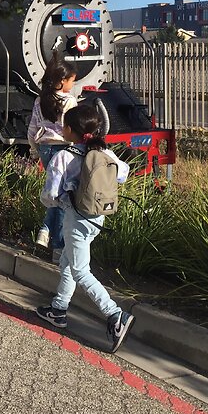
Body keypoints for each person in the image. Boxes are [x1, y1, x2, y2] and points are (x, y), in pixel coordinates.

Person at [33, 103, 136, 353]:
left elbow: (49, 195)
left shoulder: (64, 157)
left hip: (75, 219)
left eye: (64, 126)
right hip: (97, 218)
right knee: (68, 263)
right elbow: (124, 172)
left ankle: (115, 315)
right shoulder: (105, 154)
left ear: (69, 130)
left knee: (80, 270)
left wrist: (57, 201)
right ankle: (58, 309)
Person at [27, 57, 79, 263]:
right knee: (62, 199)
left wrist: (35, 150)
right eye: (72, 81)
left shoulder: (39, 100)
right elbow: (72, 130)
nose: (73, 84)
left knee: (54, 194)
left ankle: (45, 231)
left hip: (46, 150)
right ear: (61, 81)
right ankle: (57, 246)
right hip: (64, 151)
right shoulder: (70, 101)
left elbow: (32, 129)